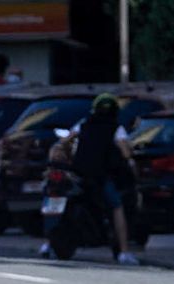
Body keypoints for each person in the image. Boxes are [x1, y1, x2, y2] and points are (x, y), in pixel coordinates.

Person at [42, 93, 138, 265]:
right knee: (116, 207)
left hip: (78, 173)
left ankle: (47, 244)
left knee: (57, 202)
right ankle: (124, 251)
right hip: (101, 177)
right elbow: (125, 152)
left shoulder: (83, 125)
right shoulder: (116, 128)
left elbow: (64, 142)